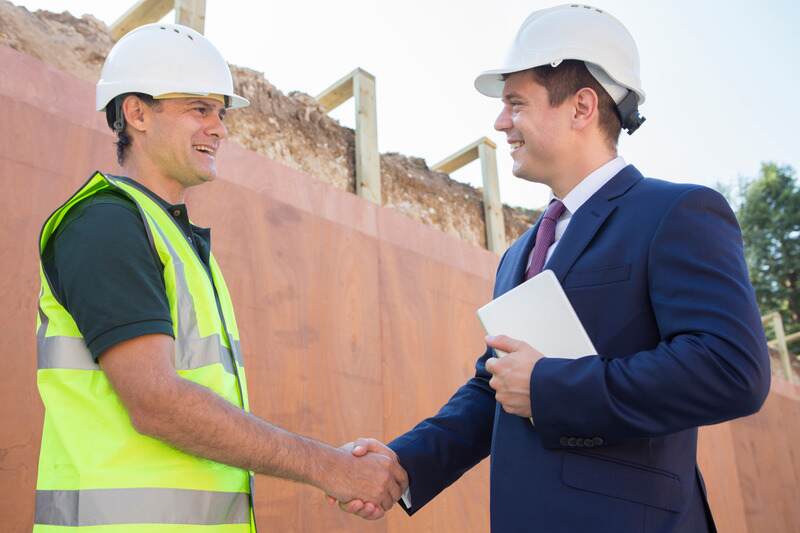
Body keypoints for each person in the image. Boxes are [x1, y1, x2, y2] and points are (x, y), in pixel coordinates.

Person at [336, 4, 770, 531]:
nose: (500, 122)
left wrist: (549, 386)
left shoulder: (675, 213)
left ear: (582, 107)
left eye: (516, 103)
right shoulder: (520, 253)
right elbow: (498, 385)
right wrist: (405, 464)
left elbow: (730, 369)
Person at [33, 23, 406, 531]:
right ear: (136, 113)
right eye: (199, 109)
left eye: (221, 112)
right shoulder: (106, 223)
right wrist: (330, 467)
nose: (220, 128)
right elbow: (157, 403)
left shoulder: (171, 237)